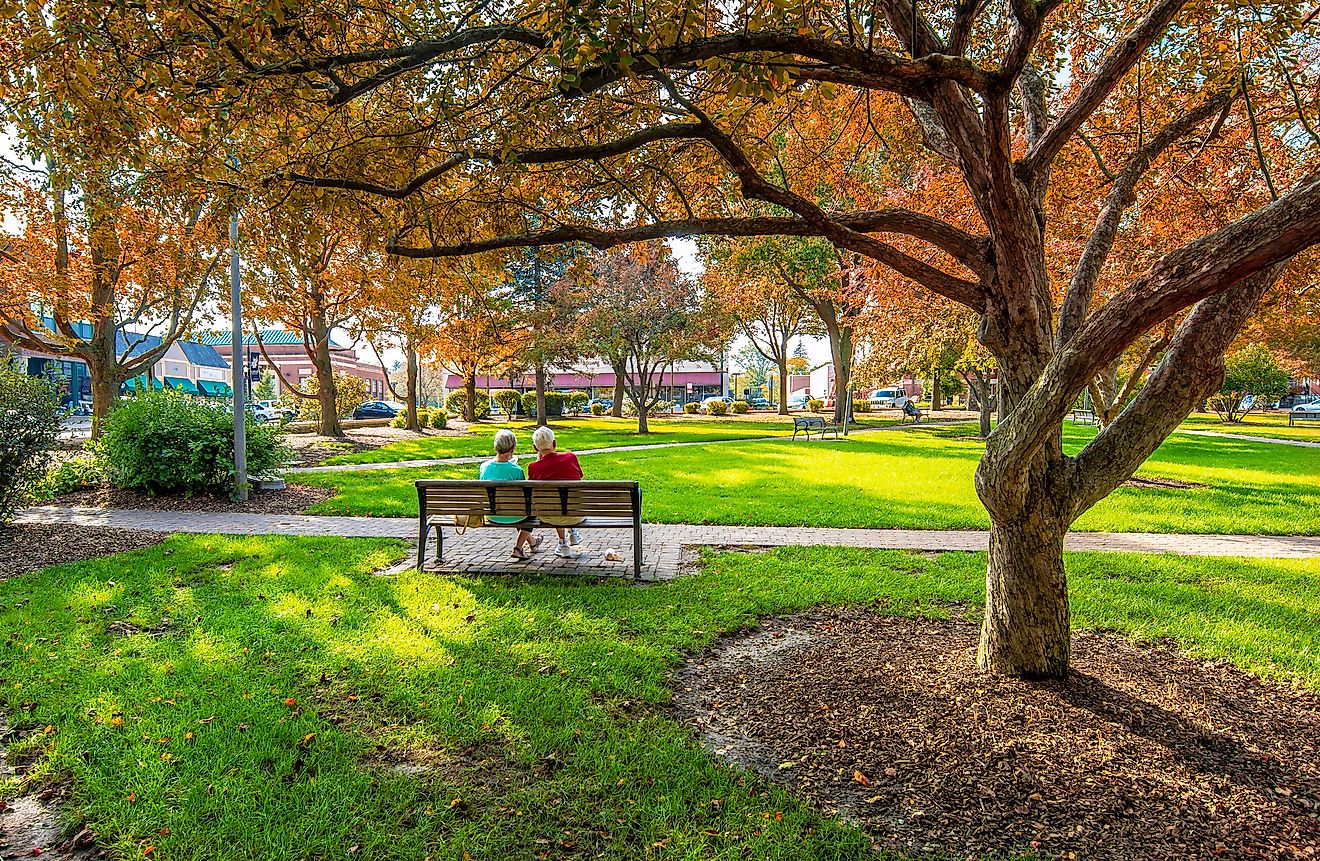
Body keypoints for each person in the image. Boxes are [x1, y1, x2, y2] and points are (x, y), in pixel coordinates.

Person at [479, 429, 541, 561]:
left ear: (496, 447)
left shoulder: (484, 467)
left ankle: (533, 542)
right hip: (514, 515)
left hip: (492, 514)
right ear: (512, 449)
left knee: (518, 510)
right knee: (531, 510)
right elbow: (525, 495)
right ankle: (518, 548)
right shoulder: (516, 470)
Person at [528, 425, 584, 557]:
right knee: (565, 500)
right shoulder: (571, 458)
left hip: (548, 515)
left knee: (554, 504)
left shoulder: (533, 467)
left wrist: (539, 460)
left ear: (535, 448)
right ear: (554, 443)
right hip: (576, 514)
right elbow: (579, 477)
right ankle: (573, 532)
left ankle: (562, 542)